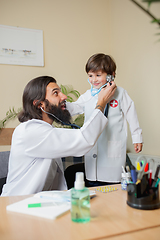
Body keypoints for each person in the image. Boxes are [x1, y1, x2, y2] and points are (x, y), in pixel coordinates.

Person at [1, 75, 116, 196]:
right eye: (55, 93)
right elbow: (83, 140)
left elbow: (75, 107)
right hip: (17, 204)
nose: (64, 96)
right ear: (40, 105)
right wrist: (101, 104)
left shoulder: (47, 130)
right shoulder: (30, 131)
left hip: (40, 202)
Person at [66, 53, 143, 187]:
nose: (93, 80)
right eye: (90, 75)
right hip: (93, 149)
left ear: (111, 75)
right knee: (92, 182)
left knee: (111, 185)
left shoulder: (120, 93)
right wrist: (61, 105)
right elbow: (76, 107)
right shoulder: (89, 94)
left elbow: (132, 114)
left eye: (98, 75)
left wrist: (137, 137)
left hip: (112, 148)